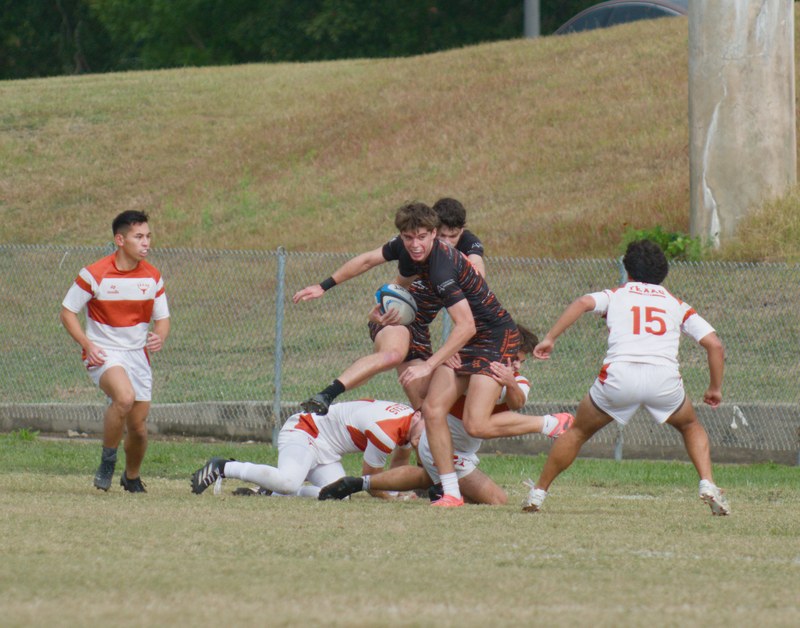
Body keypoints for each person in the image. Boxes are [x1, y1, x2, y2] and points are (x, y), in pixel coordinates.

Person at [295, 201, 561, 507]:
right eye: (409, 238)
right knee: (431, 409)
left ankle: (549, 424)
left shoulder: (444, 264)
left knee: (472, 423)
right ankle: (449, 493)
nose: (415, 244)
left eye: (422, 237)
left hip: (492, 336)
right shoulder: (408, 249)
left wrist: (433, 363)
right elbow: (369, 261)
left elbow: (468, 324)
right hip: (449, 332)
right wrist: (324, 286)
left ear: (434, 234)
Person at [522, 239, 730, 516]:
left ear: (627, 270)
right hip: (663, 379)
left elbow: (583, 302)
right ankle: (708, 484)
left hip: (619, 377)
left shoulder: (616, 294)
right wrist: (714, 388)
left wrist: (550, 338)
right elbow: (715, 345)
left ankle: (538, 493)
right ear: (663, 273)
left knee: (578, 432)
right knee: (691, 426)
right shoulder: (676, 304)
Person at [319, 330, 574, 504]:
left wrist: (511, 381)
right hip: (443, 447)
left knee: (427, 477)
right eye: (514, 359)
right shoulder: (470, 372)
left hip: (456, 449)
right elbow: (433, 393)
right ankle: (549, 424)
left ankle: (358, 483)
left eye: (521, 362)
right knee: (498, 500)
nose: (517, 366)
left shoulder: (515, 380)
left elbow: (517, 402)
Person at [298, 197, 484, 415]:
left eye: (453, 236)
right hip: (394, 315)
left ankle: (404, 446)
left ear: (462, 231)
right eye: (442, 235)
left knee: (424, 414)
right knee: (393, 354)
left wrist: (455, 346)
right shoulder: (411, 245)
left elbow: (478, 280)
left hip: (420, 328)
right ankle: (326, 395)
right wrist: (324, 286)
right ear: (432, 230)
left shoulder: (463, 249)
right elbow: (367, 260)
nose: (447, 241)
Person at [60, 210, 170, 493]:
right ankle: (107, 460)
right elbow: (68, 312)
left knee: (138, 429)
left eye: (148, 236)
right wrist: (87, 344)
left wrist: (159, 336)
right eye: (138, 237)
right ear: (120, 240)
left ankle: (131, 476)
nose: (146, 243)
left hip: (137, 357)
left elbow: (163, 319)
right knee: (124, 398)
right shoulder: (94, 273)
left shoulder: (152, 276)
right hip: (104, 353)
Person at [190, 399, 424, 499]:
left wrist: (397, 492)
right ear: (421, 415)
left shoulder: (408, 420)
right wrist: (393, 498)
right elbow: (373, 483)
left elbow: (398, 468)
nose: (422, 443)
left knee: (339, 497)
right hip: (305, 431)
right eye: (428, 433)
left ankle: (271, 492)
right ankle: (222, 466)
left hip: (328, 452)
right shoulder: (386, 431)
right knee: (289, 481)